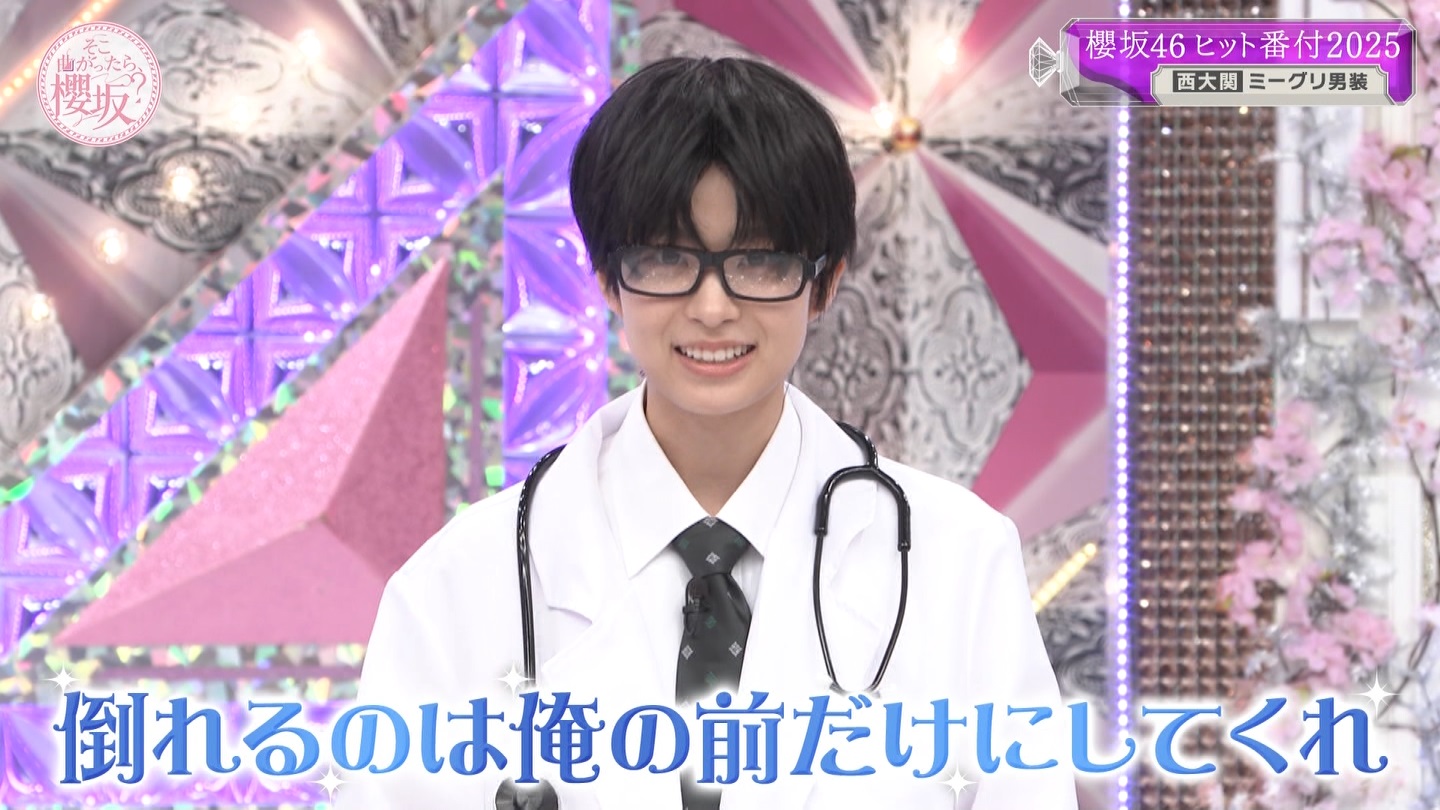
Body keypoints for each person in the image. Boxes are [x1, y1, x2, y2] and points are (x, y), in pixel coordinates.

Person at [343, 57, 1077, 809]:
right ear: (608, 280)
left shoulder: (958, 561)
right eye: (667, 259)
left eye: (759, 262)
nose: (713, 307)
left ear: (824, 282)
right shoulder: (458, 587)